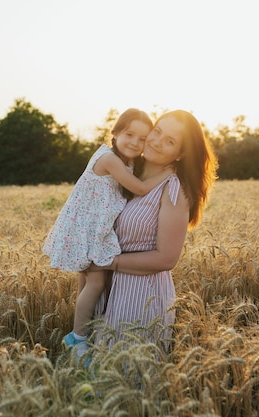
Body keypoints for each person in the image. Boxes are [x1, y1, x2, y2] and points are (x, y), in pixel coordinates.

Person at [42, 108, 174, 357]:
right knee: (96, 281)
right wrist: (168, 172)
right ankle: (78, 338)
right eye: (129, 134)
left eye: (142, 139)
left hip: (94, 224)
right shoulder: (110, 159)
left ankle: (82, 335)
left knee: (87, 278)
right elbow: (141, 188)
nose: (135, 142)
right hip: (88, 227)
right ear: (115, 133)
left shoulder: (125, 160)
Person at [88, 109, 218, 352]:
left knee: (129, 379)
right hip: (101, 290)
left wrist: (107, 263)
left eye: (169, 141)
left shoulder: (173, 189)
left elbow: (167, 258)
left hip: (139, 297)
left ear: (180, 154)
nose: (156, 142)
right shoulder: (122, 172)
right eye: (157, 131)